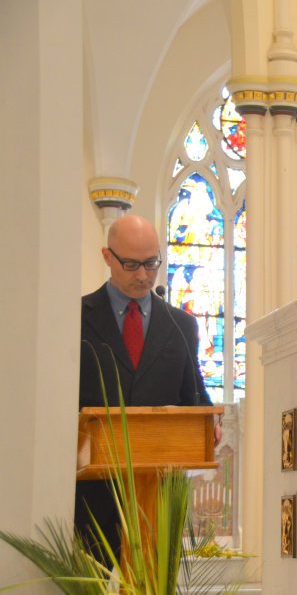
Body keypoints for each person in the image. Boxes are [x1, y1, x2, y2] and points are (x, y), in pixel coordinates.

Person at [75, 215, 217, 563]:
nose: (143, 275)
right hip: (90, 493)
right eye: (131, 264)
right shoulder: (76, 317)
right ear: (107, 257)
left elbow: (193, 392)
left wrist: (209, 420)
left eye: (151, 263)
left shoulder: (181, 324)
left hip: (156, 495)